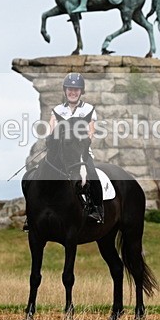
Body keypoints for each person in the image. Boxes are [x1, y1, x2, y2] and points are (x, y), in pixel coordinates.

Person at [23, 73, 104, 232]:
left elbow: (91, 132)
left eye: (76, 89)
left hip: (81, 153)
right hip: (60, 153)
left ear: (81, 91)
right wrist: (52, 141)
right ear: (65, 91)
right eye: (69, 89)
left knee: (92, 174)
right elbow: (52, 130)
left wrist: (81, 142)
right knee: (33, 176)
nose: (72, 92)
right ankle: (31, 214)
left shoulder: (88, 109)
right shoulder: (58, 110)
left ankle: (97, 209)